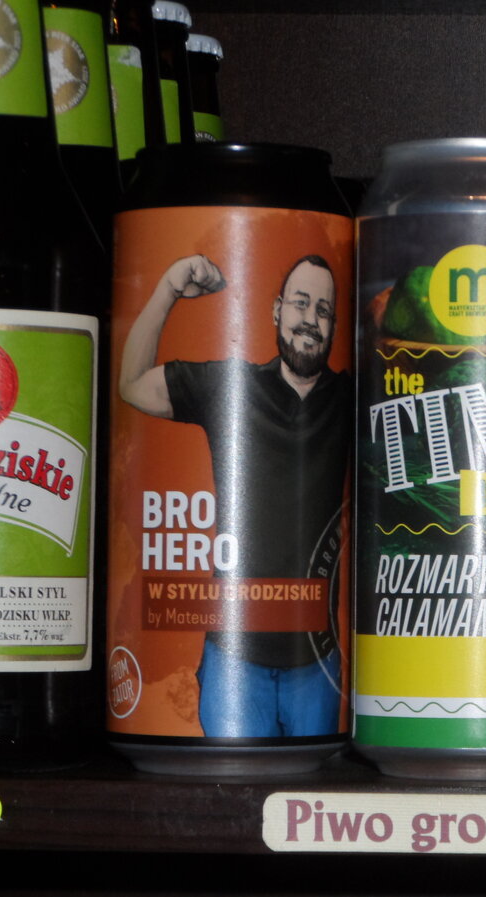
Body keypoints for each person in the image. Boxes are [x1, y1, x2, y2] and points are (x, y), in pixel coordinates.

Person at [120, 253, 349, 739]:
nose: (310, 319)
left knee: (318, 779)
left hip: (319, 659)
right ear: (277, 310)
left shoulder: (350, 397)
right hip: (234, 656)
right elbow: (132, 385)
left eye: (324, 310)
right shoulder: (232, 385)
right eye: (301, 303)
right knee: (231, 780)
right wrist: (168, 287)